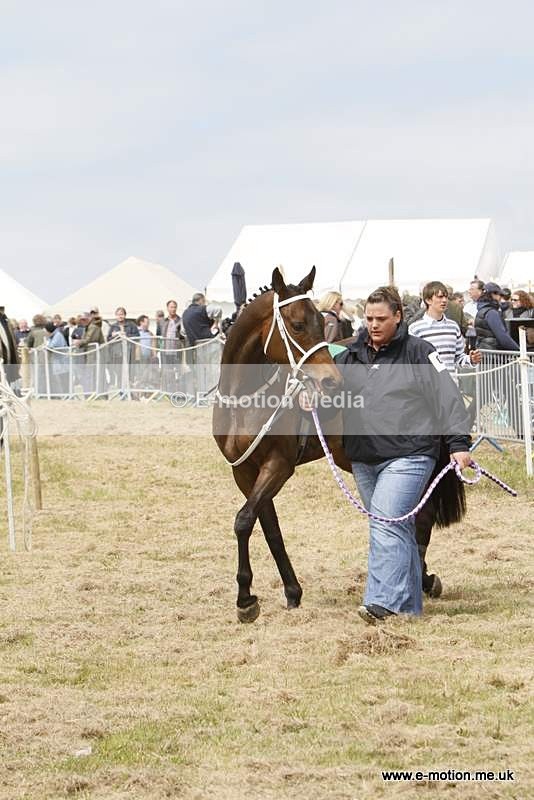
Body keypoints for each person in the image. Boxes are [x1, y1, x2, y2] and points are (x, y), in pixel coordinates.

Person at [304, 286, 472, 623]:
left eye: (381, 318)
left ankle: (383, 603)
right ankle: (409, 608)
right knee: (398, 528)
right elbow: (333, 398)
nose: (374, 324)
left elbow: (447, 397)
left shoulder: (419, 352)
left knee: (384, 521)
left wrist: (458, 444)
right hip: (364, 456)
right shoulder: (348, 357)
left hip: (410, 453)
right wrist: (313, 400)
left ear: (398, 317)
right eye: (368, 318)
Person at [408, 282, 481, 378]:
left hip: (450, 386)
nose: (444, 300)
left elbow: (458, 358)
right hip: (426, 389)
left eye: (446, 297)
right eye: (440, 297)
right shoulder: (415, 329)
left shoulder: (453, 327)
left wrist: (471, 360)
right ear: (428, 300)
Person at [475, 283, 519, 352]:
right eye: (500, 295)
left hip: (484, 351)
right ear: (492, 294)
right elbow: (503, 337)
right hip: (493, 354)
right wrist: (519, 350)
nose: (500, 298)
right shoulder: (492, 313)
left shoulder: (482, 310)